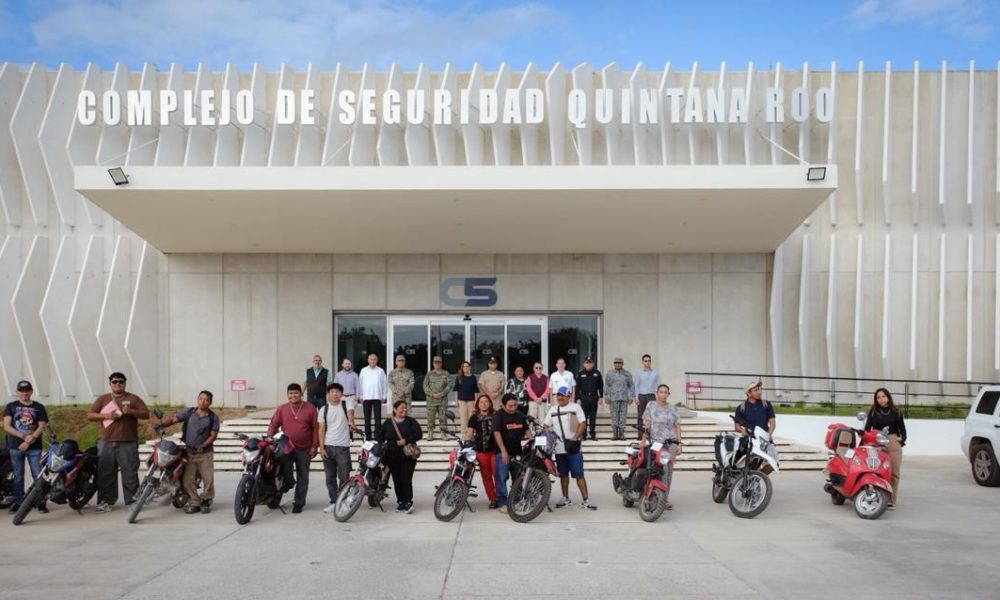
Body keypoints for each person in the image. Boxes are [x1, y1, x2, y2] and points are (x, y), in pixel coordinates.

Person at [86, 372, 150, 513]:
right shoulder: (103, 399)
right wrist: (105, 415)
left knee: (130, 473)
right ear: (110, 384)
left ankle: (133, 501)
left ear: (125, 383)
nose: (118, 384)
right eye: (114, 382)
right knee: (105, 474)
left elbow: (146, 414)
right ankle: (105, 502)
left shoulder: (133, 398)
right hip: (106, 442)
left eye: (121, 381)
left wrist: (131, 411)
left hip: (128, 442)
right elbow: (90, 415)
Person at [158, 390, 220, 514]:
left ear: (210, 402)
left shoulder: (213, 417)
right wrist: (161, 424)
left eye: (206, 400)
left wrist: (204, 445)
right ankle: (194, 502)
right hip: (189, 452)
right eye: (201, 399)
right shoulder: (189, 412)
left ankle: (206, 499)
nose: (203, 402)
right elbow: (173, 420)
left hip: (205, 453)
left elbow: (213, 435)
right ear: (197, 399)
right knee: (187, 480)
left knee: (208, 478)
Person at [267, 383, 319, 513]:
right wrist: (269, 438)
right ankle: (289, 482)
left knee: (303, 476)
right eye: (290, 393)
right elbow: (273, 424)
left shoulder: (310, 408)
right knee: (286, 472)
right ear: (287, 395)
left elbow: (315, 428)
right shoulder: (282, 409)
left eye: (296, 393)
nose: (293, 395)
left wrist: (314, 445)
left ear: (301, 394)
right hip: (286, 448)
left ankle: (299, 503)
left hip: (304, 448)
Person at [544, 387, 596, 510]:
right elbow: (545, 425)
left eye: (563, 395)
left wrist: (575, 437)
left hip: (574, 447)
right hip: (559, 448)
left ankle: (586, 500)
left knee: (579, 475)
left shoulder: (575, 407)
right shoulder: (553, 409)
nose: (560, 398)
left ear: (569, 396)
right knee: (563, 475)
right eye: (558, 395)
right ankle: (565, 498)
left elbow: (583, 423)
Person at [3, 380, 48, 514]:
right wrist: (23, 436)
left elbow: (41, 426)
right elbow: (7, 426)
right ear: (17, 392)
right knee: (18, 476)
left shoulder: (38, 406)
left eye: (27, 390)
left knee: (37, 475)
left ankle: (40, 502)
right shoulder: (11, 406)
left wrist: (29, 441)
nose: (24, 393)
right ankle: (18, 502)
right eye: (21, 390)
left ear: (31, 391)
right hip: (15, 447)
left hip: (34, 447)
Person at [641, 384, 683, 510]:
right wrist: (643, 441)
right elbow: (647, 424)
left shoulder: (672, 408)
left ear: (668, 394)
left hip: (671, 443)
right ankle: (652, 494)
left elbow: (677, 426)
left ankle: (665, 499)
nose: (664, 395)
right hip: (656, 443)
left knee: (668, 472)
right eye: (661, 392)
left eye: (666, 392)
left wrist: (679, 444)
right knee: (658, 470)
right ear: (657, 393)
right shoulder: (651, 406)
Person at [865, 387, 906, 509]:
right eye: (878, 397)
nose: (881, 399)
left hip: (893, 441)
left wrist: (901, 439)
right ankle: (877, 497)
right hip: (877, 442)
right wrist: (867, 441)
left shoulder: (896, 412)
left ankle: (891, 500)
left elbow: (903, 429)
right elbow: (867, 429)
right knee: (876, 471)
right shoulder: (873, 412)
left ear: (888, 397)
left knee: (894, 473)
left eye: (883, 396)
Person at [379, 400, 423, 513]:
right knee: (396, 479)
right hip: (392, 456)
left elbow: (419, 434)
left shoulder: (411, 422)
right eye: (402, 408)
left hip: (407, 456)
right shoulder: (388, 423)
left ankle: (408, 502)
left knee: (406, 478)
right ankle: (400, 502)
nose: (404, 410)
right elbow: (379, 436)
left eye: (405, 408)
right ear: (395, 409)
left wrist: (406, 440)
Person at [492, 393, 532, 514]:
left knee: (518, 478)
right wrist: (503, 451)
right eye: (510, 406)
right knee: (501, 478)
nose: (513, 408)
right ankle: (503, 503)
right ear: (503, 405)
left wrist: (532, 440)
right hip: (503, 454)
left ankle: (516, 501)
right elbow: (497, 433)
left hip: (517, 453)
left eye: (515, 405)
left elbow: (527, 430)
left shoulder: (520, 415)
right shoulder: (498, 415)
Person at [318, 382, 353, 513]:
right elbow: (321, 430)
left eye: (338, 392)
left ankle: (343, 502)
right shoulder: (323, 409)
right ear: (328, 394)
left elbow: (350, 413)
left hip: (342, 447)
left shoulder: (346, 404)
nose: (335, 394)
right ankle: (334, 502)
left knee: (344, 477)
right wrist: (321, 448)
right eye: (332, 392)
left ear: (341, 394)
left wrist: (351, 421)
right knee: (330, 478)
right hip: (328, 446)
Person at [465, 395, 498, 508]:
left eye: (486, 402)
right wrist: (466, 444)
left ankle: (501, 497)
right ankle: (493, 499)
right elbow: (469, 434)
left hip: (495, 451)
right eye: (481, 402)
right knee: (486, 476)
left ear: (490, 403)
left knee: (497, 475)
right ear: (478, 404)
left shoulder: (496, 416)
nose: (484, 404)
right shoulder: (474, 418)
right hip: (481, 452)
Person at [604, 357, 636, 440]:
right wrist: (606, 396)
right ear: (614, 364)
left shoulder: (627, 374)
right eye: (616, 363)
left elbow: (631, 385)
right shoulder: (610, 373)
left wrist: (631, 396)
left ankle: (621, 434)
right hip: (613, 398)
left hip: (624, 398)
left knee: (623, 416)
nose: (617, 364)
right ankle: (615, 434)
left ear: (622, 364)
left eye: (619, 363)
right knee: (614, 416)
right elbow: (607, 385)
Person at [358, 353, 387, 441]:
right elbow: (360, 384)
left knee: (378, 419)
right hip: (366, 397)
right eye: (371, 359)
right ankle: (368, 437)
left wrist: (384, 396)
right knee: (367, 418)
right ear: (368, 360)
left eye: (374, 359)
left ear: (377, 360)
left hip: (377, 397)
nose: (373, 361)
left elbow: (384, 384)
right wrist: (360, 396)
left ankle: (378, 437)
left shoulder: (380, 371)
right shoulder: (363, 370)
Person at [422, 356, 451, 440]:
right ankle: (430, 433)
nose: (437, 364)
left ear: (441, 364)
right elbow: (425, 385)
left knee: (443, 417)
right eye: (435, 363)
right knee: (431, 417)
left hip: (442, 400)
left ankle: (443, 433)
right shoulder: (429, 374)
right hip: (431, 400)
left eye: (439, 363)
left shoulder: (446, 373)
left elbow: (449, 385)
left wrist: (442, 393)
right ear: (433, 364)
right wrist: (432, 394)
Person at [576, 357, 604, 440]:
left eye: (590, 363)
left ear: (593, 364)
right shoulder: (580, 373)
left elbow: (601, 386)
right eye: (587, 363)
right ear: (584, 364)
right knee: (583, 417)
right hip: (584, 397)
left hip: (594, 397)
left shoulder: (597, 373)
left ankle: (592, 434)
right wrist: (578, 398)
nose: (588, 364)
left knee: (592, 417)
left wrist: (601, 396)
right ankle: (583, 434)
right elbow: (577, 387)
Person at [634, 354, 661, 431]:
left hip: (652, 396)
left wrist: (659, 398)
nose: (647, 362)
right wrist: (636, 397)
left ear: (651, 362)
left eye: (649, 361)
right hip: (642, 396)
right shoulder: (639, 373)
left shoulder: (656, 373)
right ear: (643, 362)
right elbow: (636, 385)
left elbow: (659, 386)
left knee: (652, 415)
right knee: (640, 415)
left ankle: (651, 432)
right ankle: (640, 433)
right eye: (645, 361)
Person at [453, 361, 478, 431]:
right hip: (462, 401)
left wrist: (476, 402)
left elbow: (476, 390)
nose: (465, 368)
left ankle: (471, 434)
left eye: (467, 366)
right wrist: (456, 401)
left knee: (471, 418)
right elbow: (456, 390)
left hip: (471, 401)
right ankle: (464, 434)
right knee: (463, 419)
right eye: (464, 366)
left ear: (470, 367)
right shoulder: (459, 377)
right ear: (462, 368)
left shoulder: (473, 377)